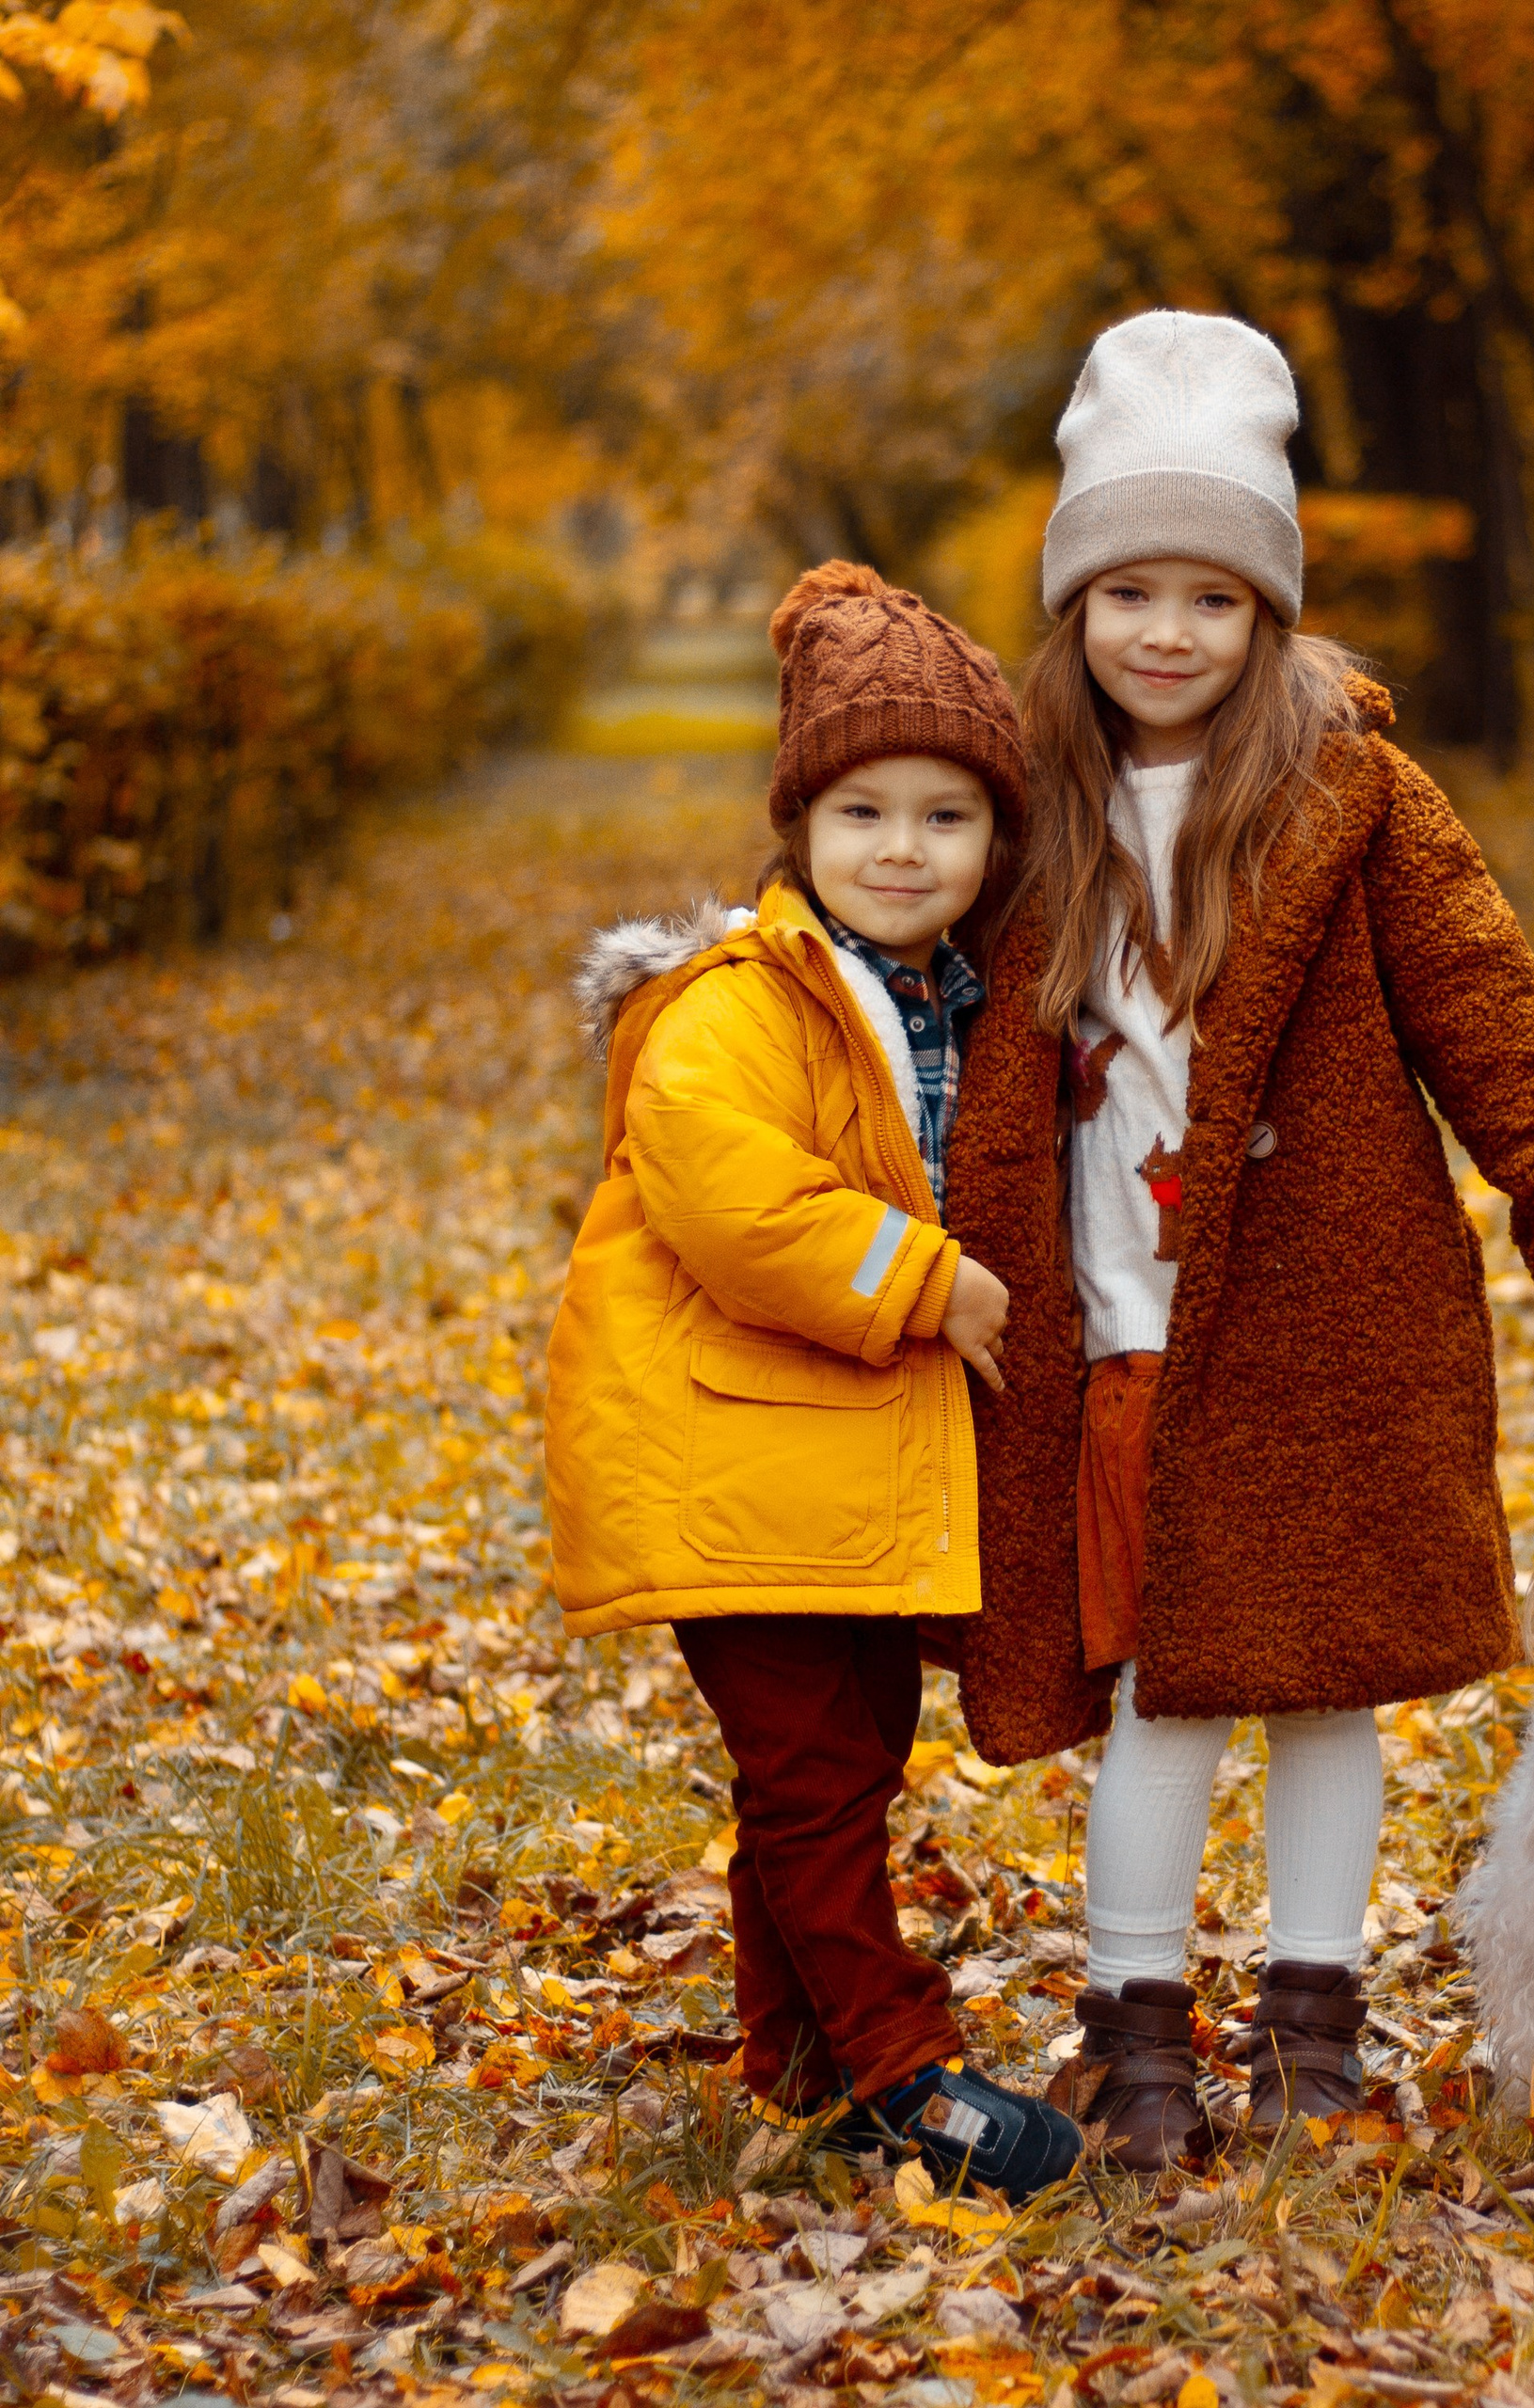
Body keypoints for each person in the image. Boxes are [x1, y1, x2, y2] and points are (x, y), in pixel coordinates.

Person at [942, 312, 1534, 2168]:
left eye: (1212, 592)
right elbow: (903, 995)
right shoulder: (1025, 811)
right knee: (1152, 1695)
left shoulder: (1358, 799)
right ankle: (1133, 2030)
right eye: (1128, 587)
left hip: (1322, 1323)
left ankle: (1310, 2024)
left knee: (1319, 1687)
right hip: (1110, 1333)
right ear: (1075, 602)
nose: (1168, 631)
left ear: (1267, 609)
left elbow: (1489, 1017)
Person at [544, 562, 1081, 2199]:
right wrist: (921, 1279)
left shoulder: (958, 996)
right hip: (739, 1465)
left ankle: (792, 2065)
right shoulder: (738, 1007)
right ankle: (906, 2064)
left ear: (998, 841)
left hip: (841, 1470)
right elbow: (725, 1194)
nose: (902, 850)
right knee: (816, 1778)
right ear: (797, 831)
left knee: (837, 1763)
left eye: (945, 816)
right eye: (861, 813)